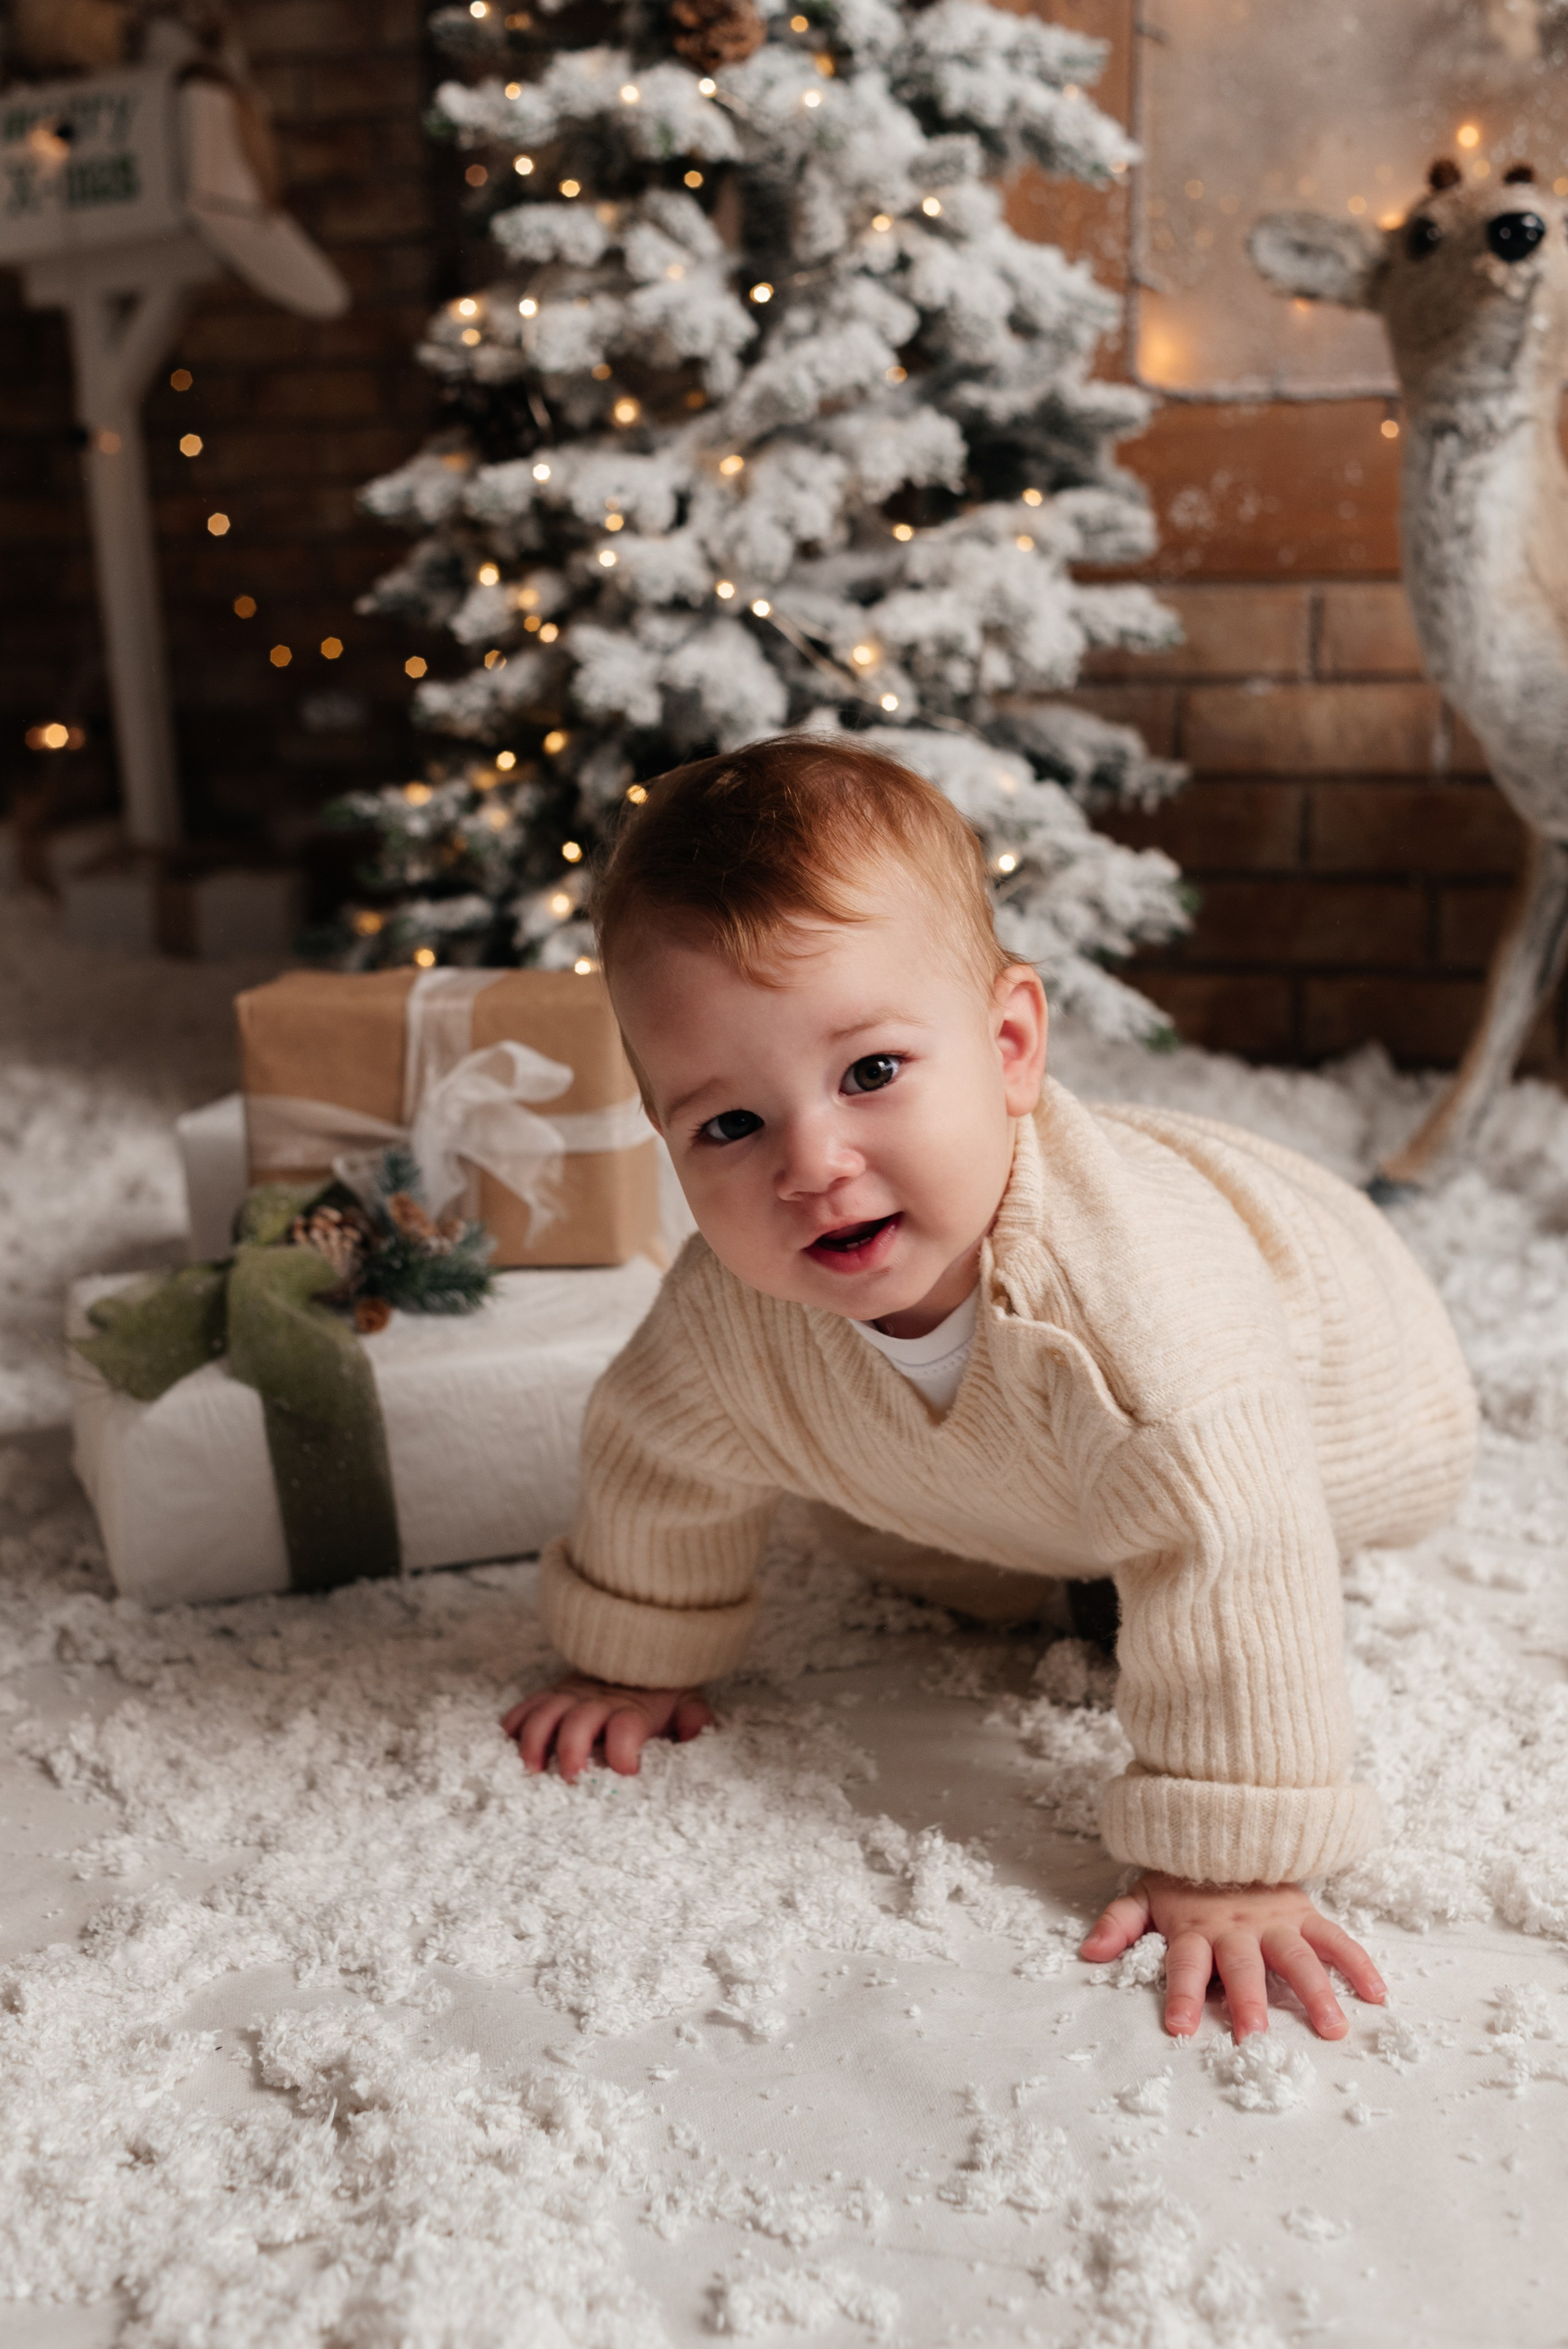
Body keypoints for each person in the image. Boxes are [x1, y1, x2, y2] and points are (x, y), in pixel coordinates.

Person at [502, 737, 1476, 2042]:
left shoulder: (1141, 1323)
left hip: (1347, 1389)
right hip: (1042, 1481)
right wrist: (634, 1653)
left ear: (1010, 1044)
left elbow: (1232, 1542)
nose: (813, 1162)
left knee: (1178, 1515)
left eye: (870, 1073)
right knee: (876, 1504)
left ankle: (1088, 1550)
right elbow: (659, 1444)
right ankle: (1060, 1550)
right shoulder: (731, 1311)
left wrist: (1228, 1855)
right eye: (727, 1125)